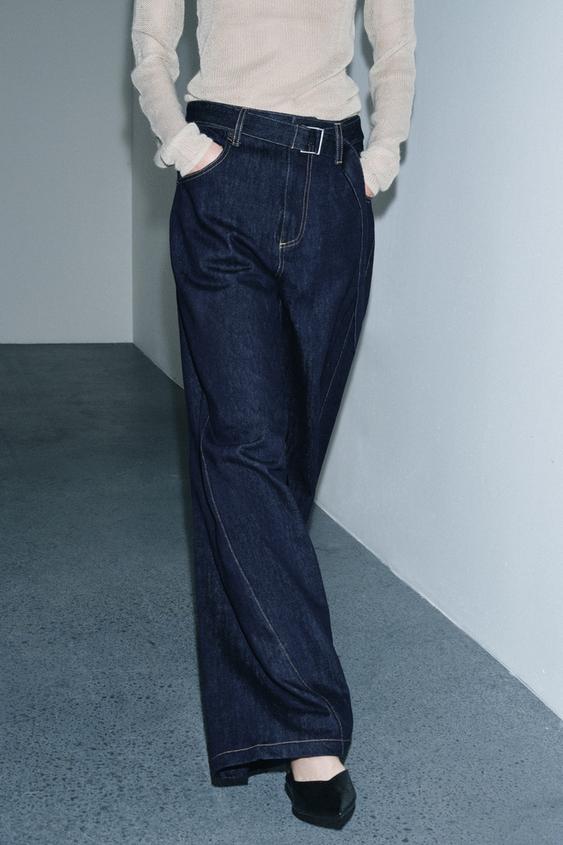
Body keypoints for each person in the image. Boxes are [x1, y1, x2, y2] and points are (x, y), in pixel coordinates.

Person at [130, 0, 416, 829]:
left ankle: (258, 709)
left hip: (334, 183)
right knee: (241, 447)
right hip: (223, 176)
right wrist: (184, 145)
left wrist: (382, 154)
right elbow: (151, 45)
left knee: (285, 467)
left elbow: (393, 44)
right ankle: (310, 731)